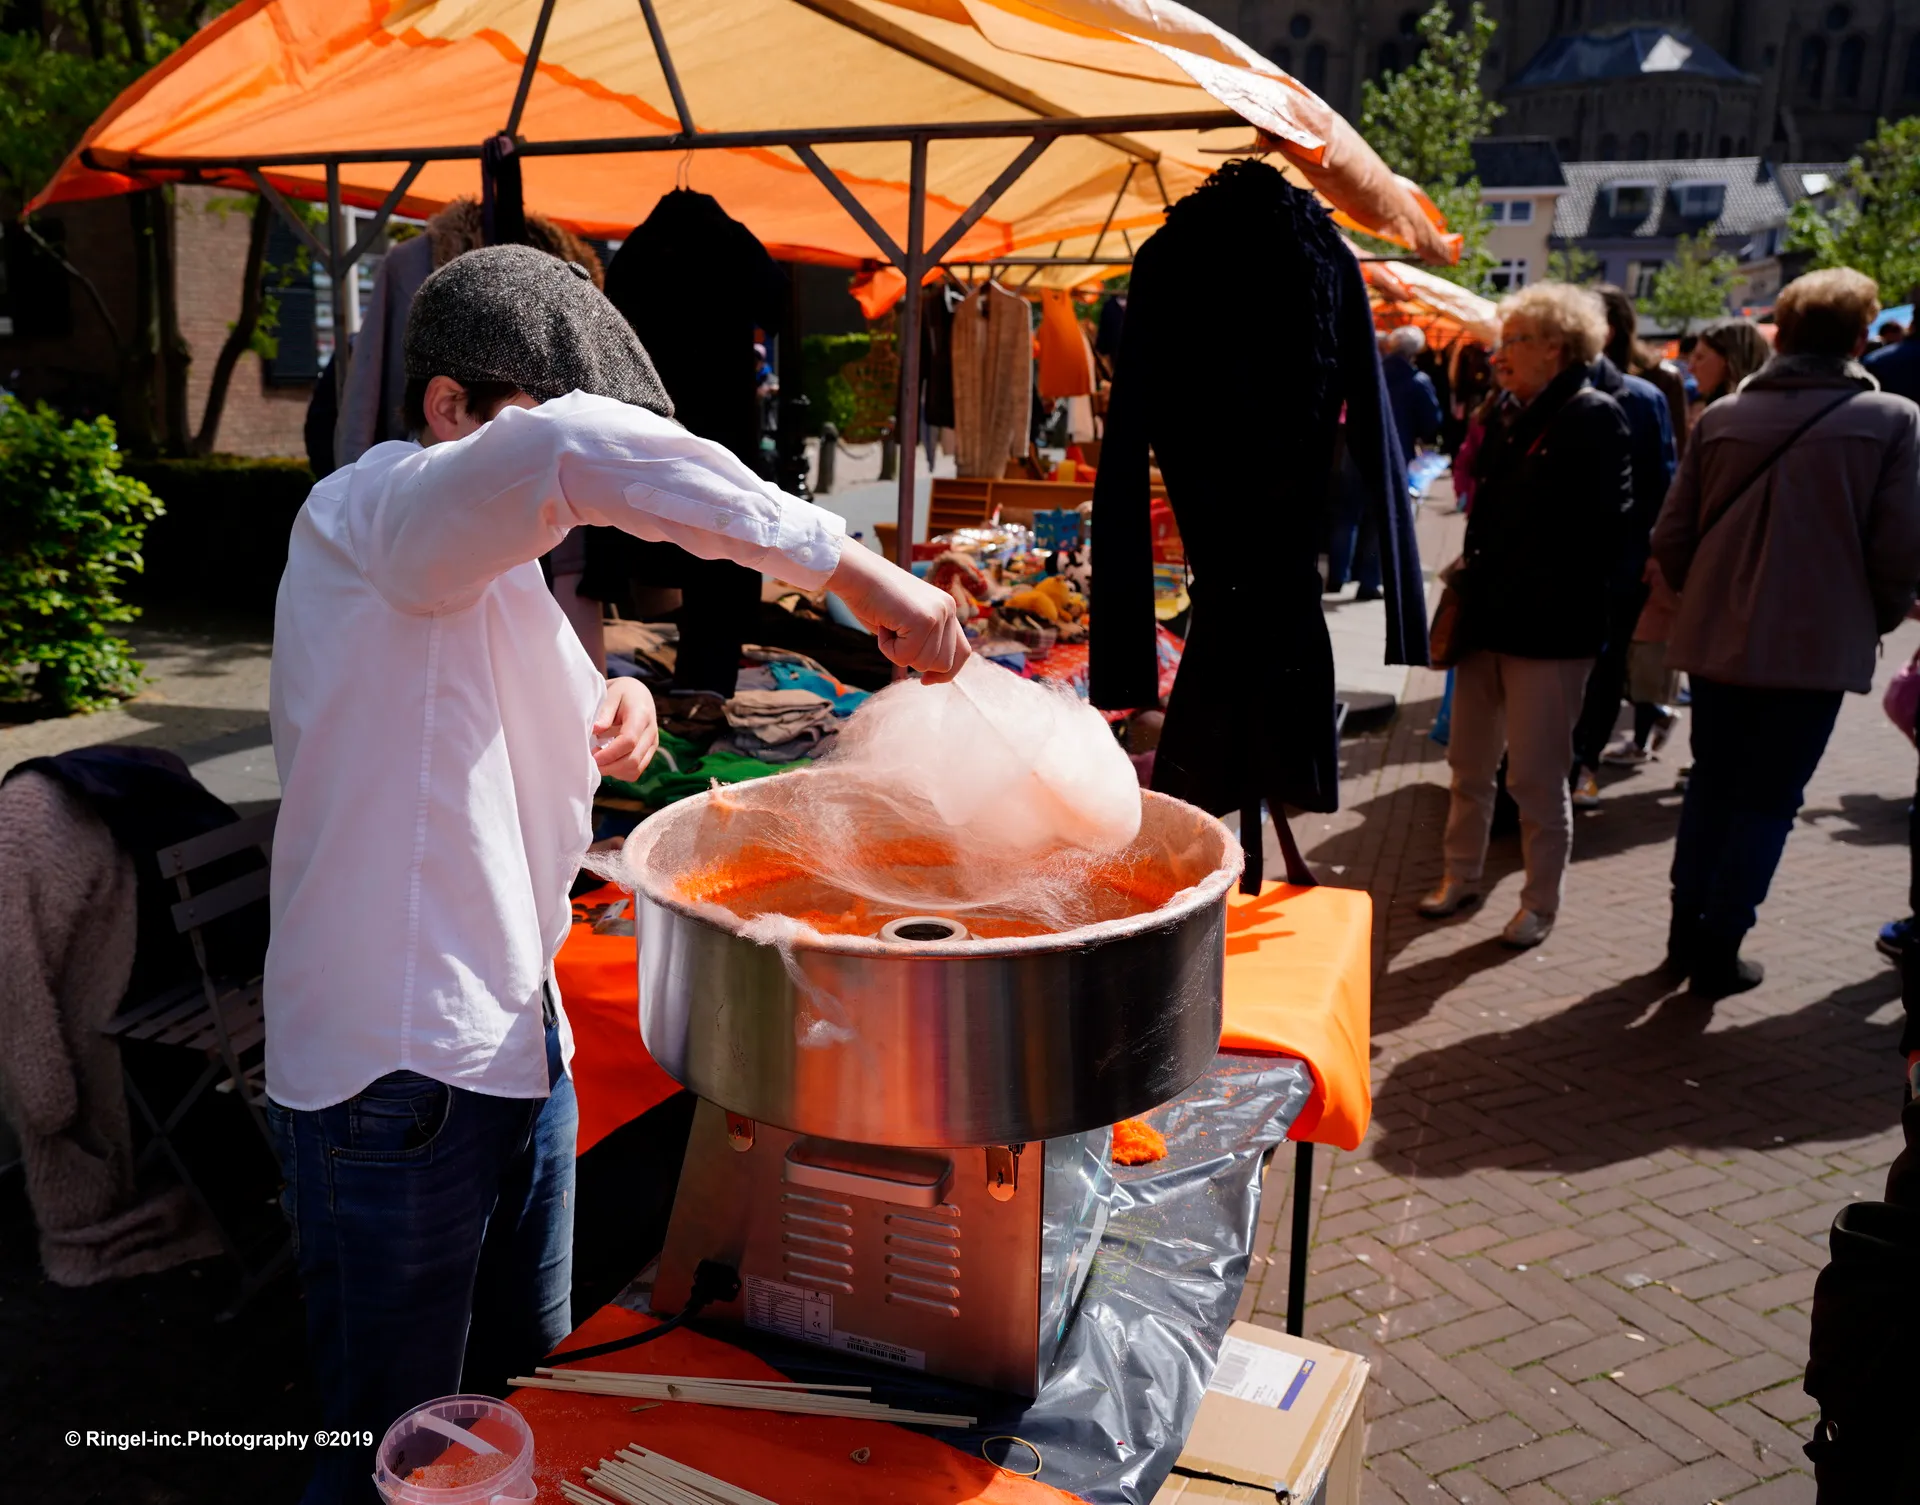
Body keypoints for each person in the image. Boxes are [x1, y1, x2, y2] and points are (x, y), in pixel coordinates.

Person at [265, 246, 968, 1505]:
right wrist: (860, 572)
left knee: (527, 1410)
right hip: (397, 1074)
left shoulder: (476, 569)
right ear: (445, 410)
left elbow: (500, 690)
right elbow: (570, 448)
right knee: (392, 1459)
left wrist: (622, 699)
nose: (571, 502)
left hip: (514, 1043)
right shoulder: (370, 512)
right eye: (520, 427)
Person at [1651, 267, 1920, 998]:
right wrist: (1876, 614)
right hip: (1813, 645)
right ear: (1860, 335)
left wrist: (1705, 593)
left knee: (1713, 780)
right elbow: (1899, 549)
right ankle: (1720, 942)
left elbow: (1671, 536)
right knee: (1770, 796)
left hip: (1716, 638)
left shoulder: (1726, 416)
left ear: (1787, 332)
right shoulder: (1892, 420)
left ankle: (1683, 929)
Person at [1418, 284, 1633, 948]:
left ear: (1556, 348)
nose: (1499, 353)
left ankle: (1540, 901)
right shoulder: (1505, 411)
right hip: (1487, 621)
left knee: (1538, 779)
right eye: (1502, 340)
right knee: (1468, 764)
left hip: (1549, 632)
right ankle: (1462, 875)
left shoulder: (1594, 415)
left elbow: (1609, 532)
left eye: (1515, 341)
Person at [1569, 284, 1678, 809]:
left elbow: (1661, 485)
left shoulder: (1644, 397)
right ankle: (1571, 763)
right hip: (1583, 563)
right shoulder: (1540, 389)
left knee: (1605, 665)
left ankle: (1582, 761)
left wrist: (1654, 556)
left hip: (1617, 563)